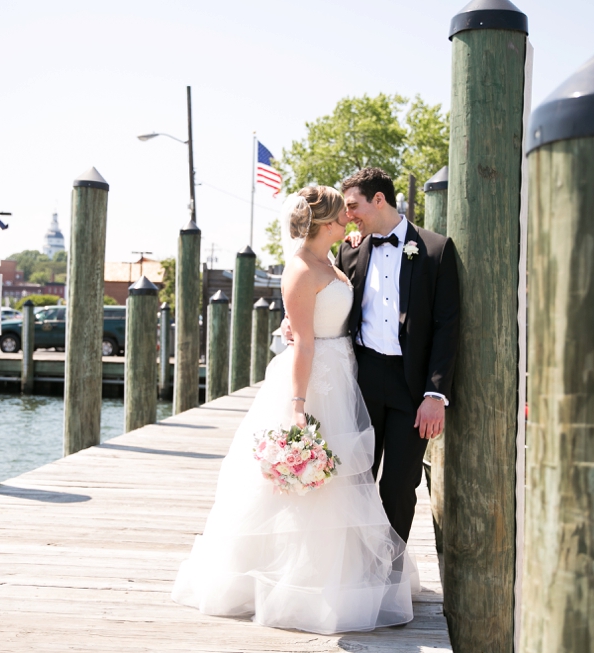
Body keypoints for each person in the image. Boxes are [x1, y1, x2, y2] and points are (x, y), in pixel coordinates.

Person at [171, 185, 416, 634]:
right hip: (315, 378)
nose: (350, 221)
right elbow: (302, 341)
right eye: (343, 216)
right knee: (316, 486)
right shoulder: (301, 268)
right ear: (326, 223)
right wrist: (298, 408)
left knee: (344, 482)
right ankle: (303, 585)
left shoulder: (333, 258)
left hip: (344, 373)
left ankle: (349, 577)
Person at [287, 168, 460, 544]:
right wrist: (293, 326)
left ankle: (389, 576)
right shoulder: (349, 249)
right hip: (358, 380)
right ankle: (356, 571)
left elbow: (449, 327)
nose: (348, 215)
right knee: (352, 481)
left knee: (399, 485)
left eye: (353, 206)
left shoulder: (435, 249)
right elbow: (321, 300)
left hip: (412, 389)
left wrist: (435, 395)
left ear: (378, 200)